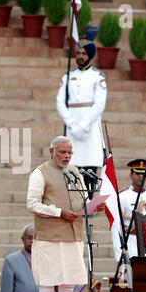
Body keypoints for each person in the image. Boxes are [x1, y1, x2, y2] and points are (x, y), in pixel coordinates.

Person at [26, 136, 105, 292]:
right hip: (49, 239)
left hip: (73, 237)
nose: (67, 156)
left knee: (68, 285)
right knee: (47, 285)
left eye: (69, 152)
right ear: (51, 152)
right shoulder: (40, 172)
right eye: (62, 152)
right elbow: (32, 204)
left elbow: (83, 199)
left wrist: (94, 207)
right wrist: (59, 212)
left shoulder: (75, 171)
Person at [56, 39, 107, 196]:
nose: (80, 56)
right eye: (78, 53)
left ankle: (89, 202)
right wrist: (72, 125)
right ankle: (75, 200)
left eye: (84, 53)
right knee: (72, 164)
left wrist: (83, 126)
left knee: (90, 166)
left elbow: (99, 104)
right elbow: (60, 101)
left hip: (90, 127)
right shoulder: (68, 76)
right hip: (72, 125)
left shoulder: (97, 77)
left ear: (90, 55)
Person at [111, 159, 146, 261]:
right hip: (131, 240)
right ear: (131, 175)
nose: (140, 176)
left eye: (143, 174)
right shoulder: (123, 196)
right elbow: (116, 226)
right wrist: (119, 253)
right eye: (137, 173)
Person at [0, 224, 39, 292]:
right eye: (29, 238)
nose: (32, 241)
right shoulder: (11, 260)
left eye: (35, 238)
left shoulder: (46, 260)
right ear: (22, 239)